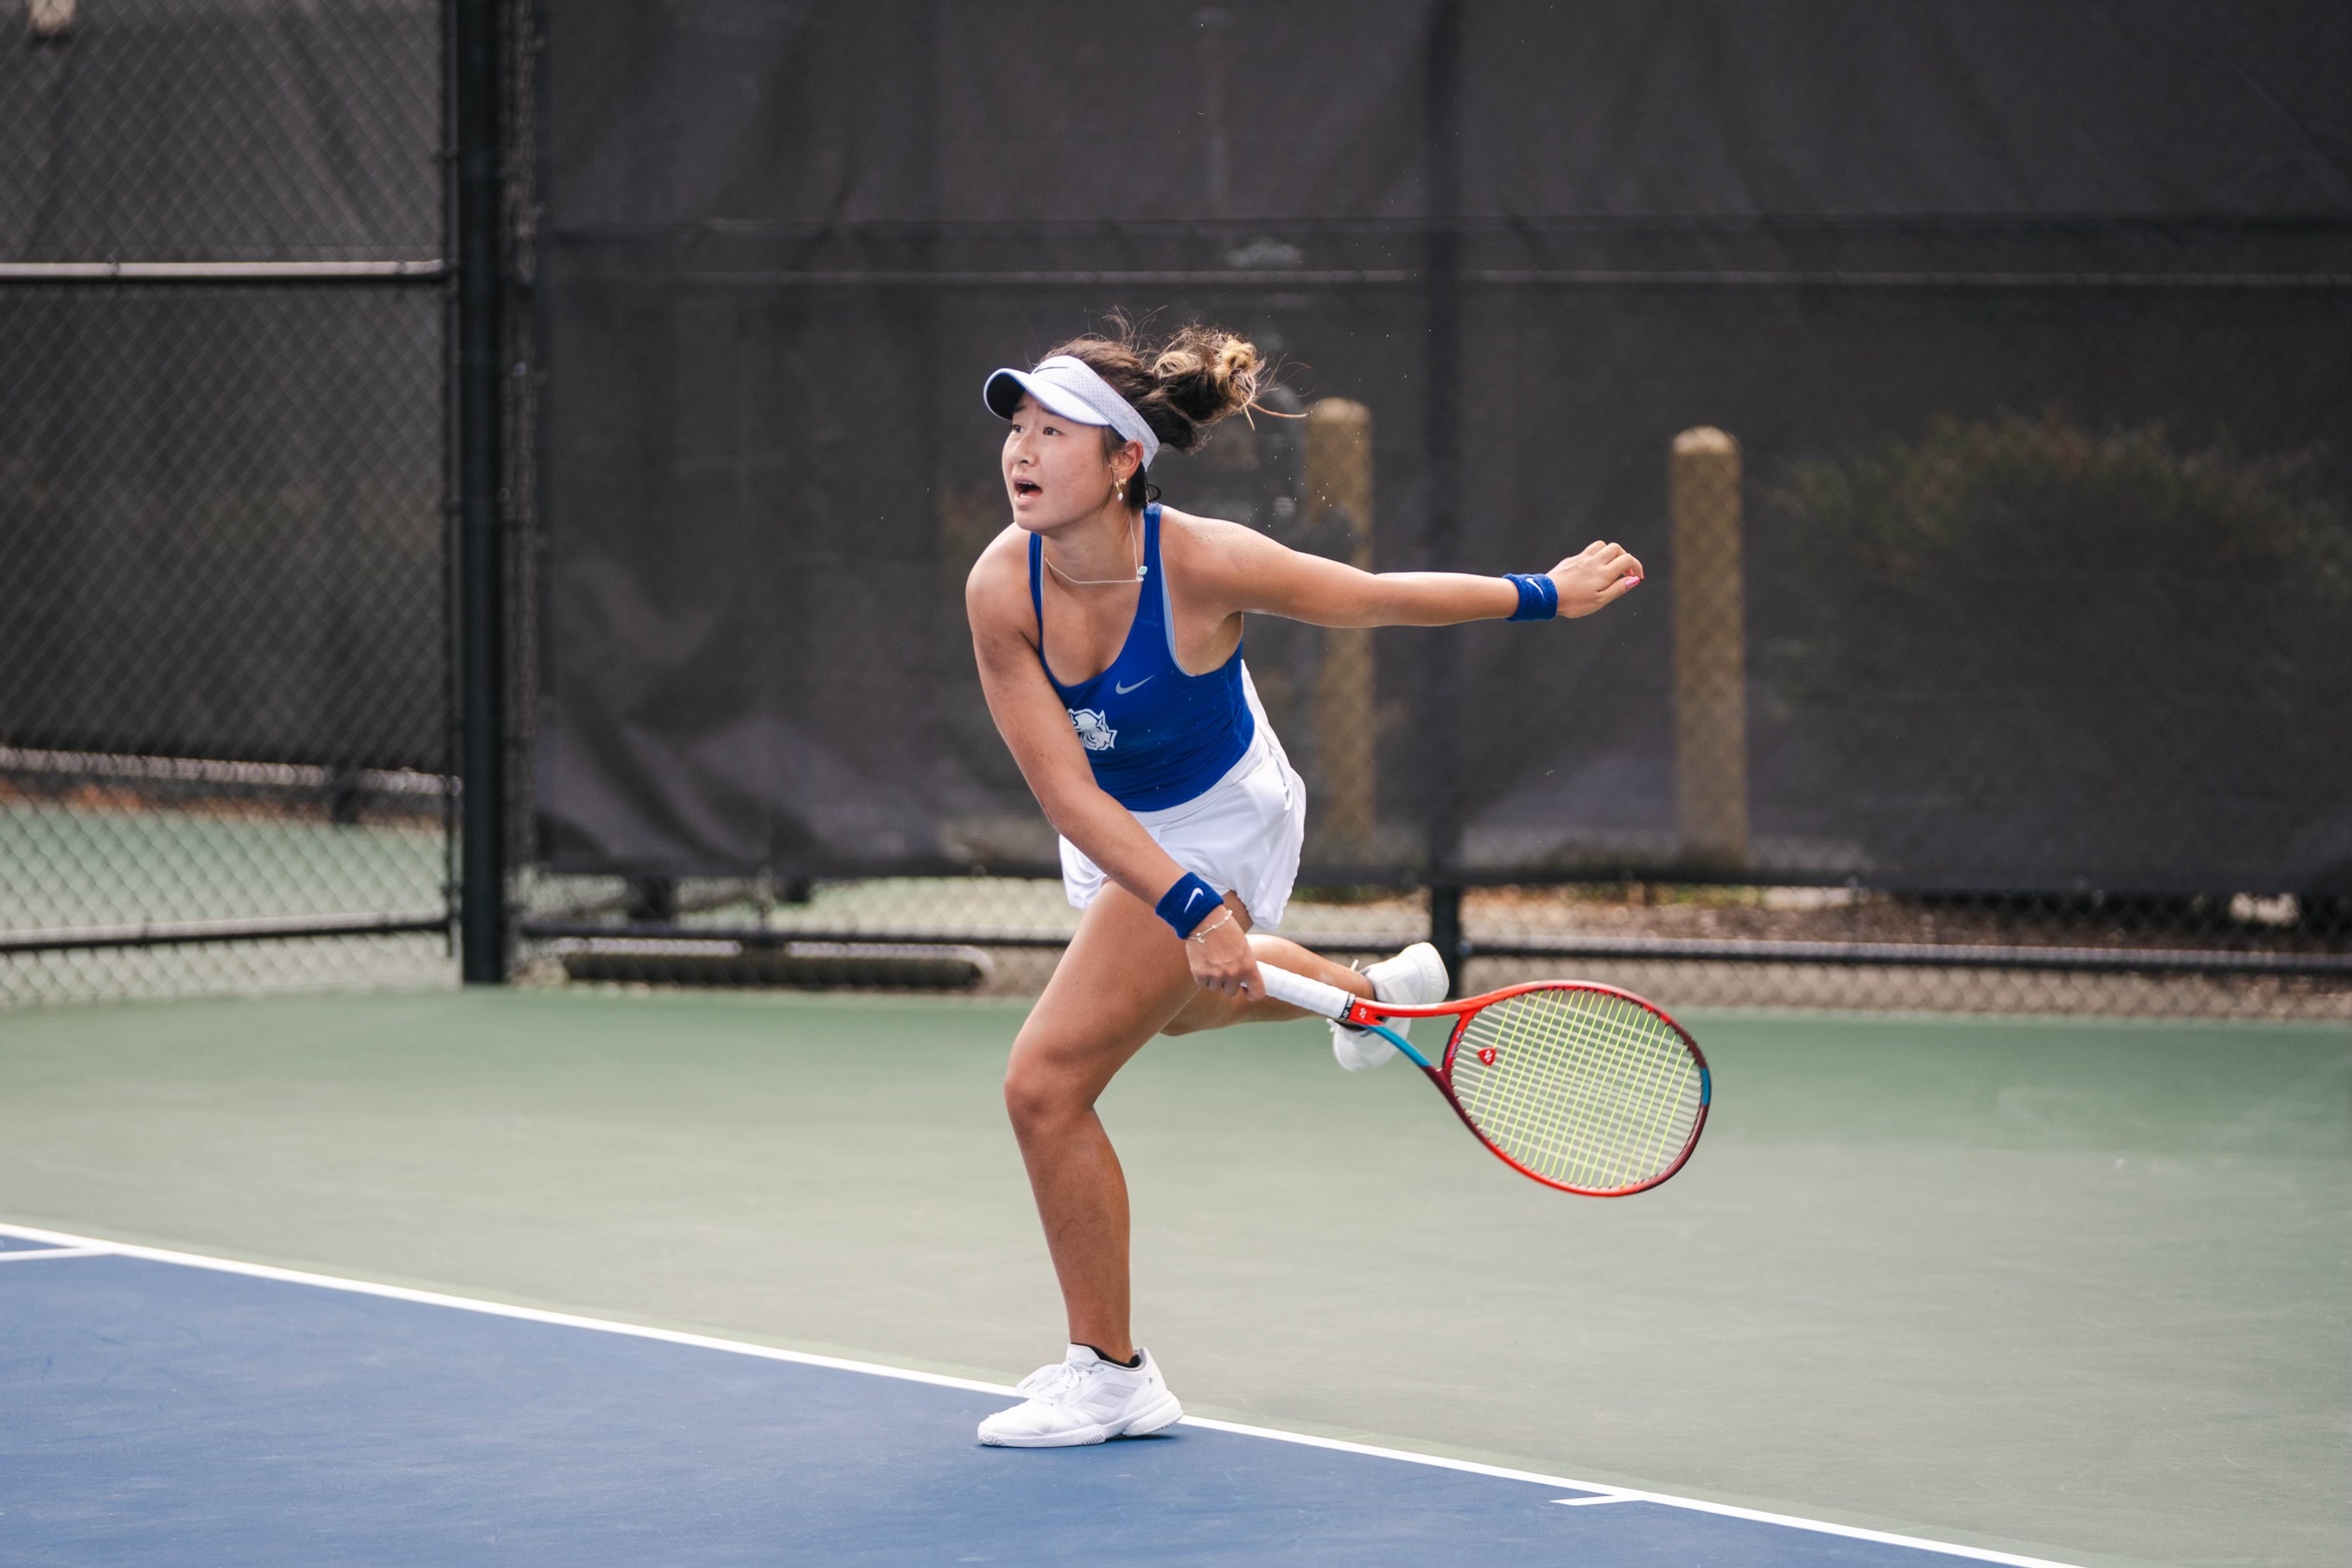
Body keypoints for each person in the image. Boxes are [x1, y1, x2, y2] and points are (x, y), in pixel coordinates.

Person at [964, 321, 1643, 1447]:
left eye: (1055, 432)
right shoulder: (1002, 585)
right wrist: (1184, 917)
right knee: (1173, 1014)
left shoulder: (1201, 561)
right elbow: (1066, 795)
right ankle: (1366, 996)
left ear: (1126, 458)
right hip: (1114, 825)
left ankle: (1112, 1375)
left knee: (1044, 1085)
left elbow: (1368, 597)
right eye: (1018, 428)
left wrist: (1542, 594)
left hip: (1227, 815)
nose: (1022, 453)